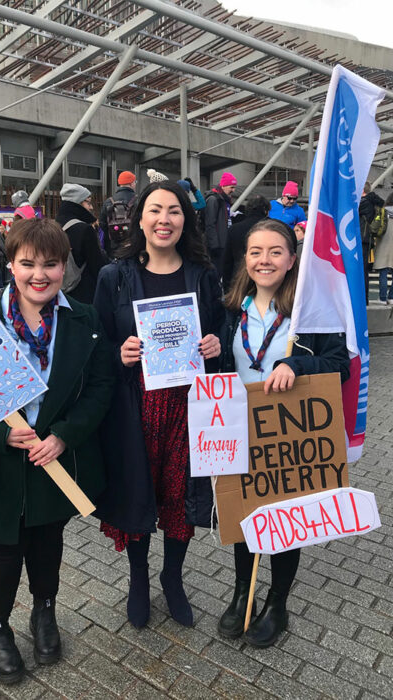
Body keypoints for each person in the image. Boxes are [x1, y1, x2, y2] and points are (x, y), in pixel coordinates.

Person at [0, 217, 114, 684]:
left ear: (65, 267)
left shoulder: (84, 318)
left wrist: (64, 434)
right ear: (10, 264)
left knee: (45, 542)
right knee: (2, 548)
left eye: (51, 264)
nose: (39, 274)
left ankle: (44, 612)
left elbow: (101, 387)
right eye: (28, 263)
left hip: (53, 458)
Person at [93, 181, 223, 629]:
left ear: (186, 219)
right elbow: (98, 343)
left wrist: (213, 344)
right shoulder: (115, 275)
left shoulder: (202, 274)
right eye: (155, 210)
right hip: (135, 407)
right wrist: (117, 352)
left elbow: (220, 331)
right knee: (138, 492)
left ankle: (172, 577)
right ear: (139, 217)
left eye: (173, 210)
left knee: (179, 496)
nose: (164, 219)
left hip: (188, 407)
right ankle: (138, 578)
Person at [218, 218, 350, 647]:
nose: (265, 260)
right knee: (245, 516)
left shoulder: (308, 315)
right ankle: (244, 592)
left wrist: (297, 364)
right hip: (239, 426)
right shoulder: (231, 307)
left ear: (293, 259)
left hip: (287, 434)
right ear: (246, 259)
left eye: (275, 251)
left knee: (282, 522)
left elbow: (341, 364)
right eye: (256, 252)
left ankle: (277, 601)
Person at [56, 183, 107, 304]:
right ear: (77, 203)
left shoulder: (54, 226)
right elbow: (97, 267)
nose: (91, 207)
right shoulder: (84, 229)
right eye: (88, 202)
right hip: (84, 294)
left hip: (60, 292)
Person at [222, 194, 270, 292]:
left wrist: (227, 288)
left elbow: (227, 261)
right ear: (266, 211)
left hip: (239, 280)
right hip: (267, 280)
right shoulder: (276, 229)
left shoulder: (234, 230)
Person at [204, 172, 237, 277]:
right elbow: (210, 223)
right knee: (216, 273)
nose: (233, 190)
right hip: (218, 245)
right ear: (223, 186)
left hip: (223, 242)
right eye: (231, 187)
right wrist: (214, 245)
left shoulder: (223, 200)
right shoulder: (214, 199)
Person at [99, 171, 137, 258]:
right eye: (135, 182)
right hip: (133, 244)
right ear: (131, 183)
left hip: (114, 245)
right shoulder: (138, 200)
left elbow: (102, 224)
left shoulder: (109, 201)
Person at [358, 182, 384, 304]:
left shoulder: (364, 202)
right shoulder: (372, 201)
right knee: (364, 270)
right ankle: (364, 298)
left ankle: (363, 298)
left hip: (361, 238)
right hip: (366, 239)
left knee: (361, 270)